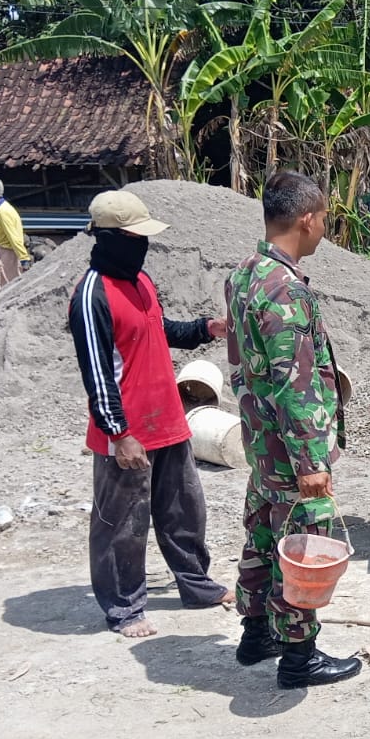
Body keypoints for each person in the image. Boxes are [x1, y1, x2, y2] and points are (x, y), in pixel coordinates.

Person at [67, 190, 233, 638]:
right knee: (123, 524)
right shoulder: (91, 295)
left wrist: (205, 329)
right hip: (128, 433)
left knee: (184, 511)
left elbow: (159, 331)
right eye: (134, 238)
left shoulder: (141, 281)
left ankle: (196, 584)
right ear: (108, 238)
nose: (142, 245)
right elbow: (97, 374)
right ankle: (124, 607)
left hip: (168, 421)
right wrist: (119, 433)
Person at [226, 171, 361, 689]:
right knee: (303, 543)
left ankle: (257, 633)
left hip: (262, 440)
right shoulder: (284, 289)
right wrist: (310, 462)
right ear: (306, 219)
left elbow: (242, 367)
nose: (325, 227)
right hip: (288, 448)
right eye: (324, 218)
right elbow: (294, 384)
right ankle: (299, 657)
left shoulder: (244, 275)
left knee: (264, 532)